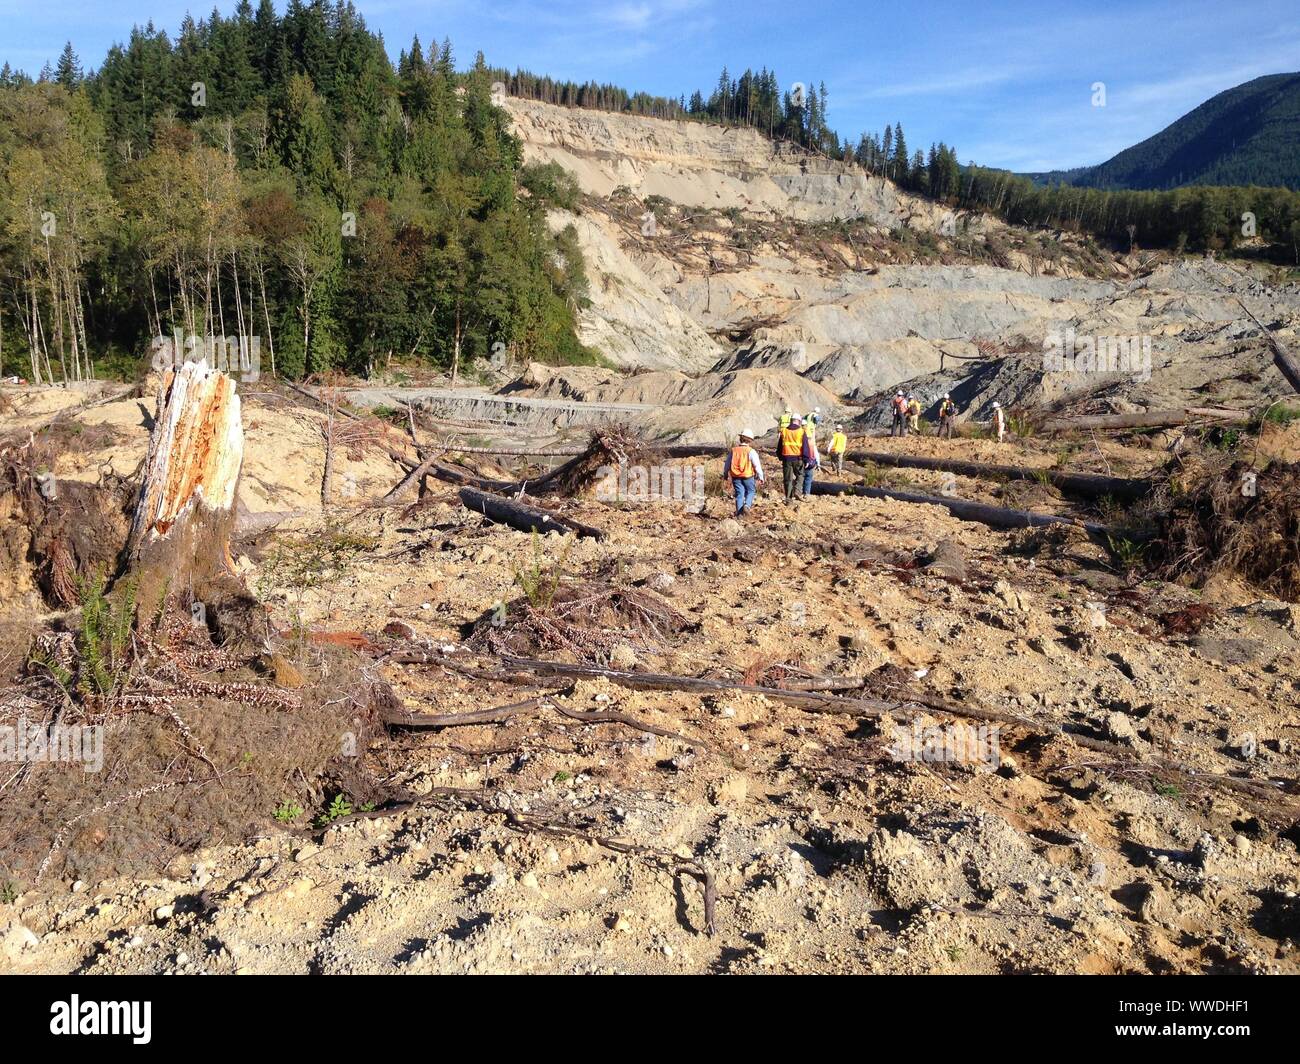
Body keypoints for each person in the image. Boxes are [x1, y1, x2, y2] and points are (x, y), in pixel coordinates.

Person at [723, 430, 764, 516]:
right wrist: (761, 477)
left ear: (741, 438)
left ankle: (739, 514)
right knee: (751, 491)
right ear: (750, 440)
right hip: (747, 476)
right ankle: (747, 506)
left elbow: (727, 463)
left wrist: (725, 473)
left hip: (736, 476)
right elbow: (757, 465)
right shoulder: (751, 451)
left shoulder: (733, 450)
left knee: (739, 494)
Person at [779, 415, 806, 504]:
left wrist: (780, 456)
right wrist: (807, 459)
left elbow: (780, 445)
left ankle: (788, 499)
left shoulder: (784, 431)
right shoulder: (801, 432)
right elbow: (805, 447)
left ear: (791, 420)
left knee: (788, 479)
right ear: (799, 421)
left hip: (786, 458)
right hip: (798, 458)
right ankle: (797, 491)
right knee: (800, 475)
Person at [801, 418, 820, 497]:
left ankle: (800, 492)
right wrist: (818, 464)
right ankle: (807, 494)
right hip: (811, 463)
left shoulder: (801, 441)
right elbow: (816, 454)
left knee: (801, 478)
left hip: (802, 462)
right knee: (808, 479)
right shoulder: (812, 443)